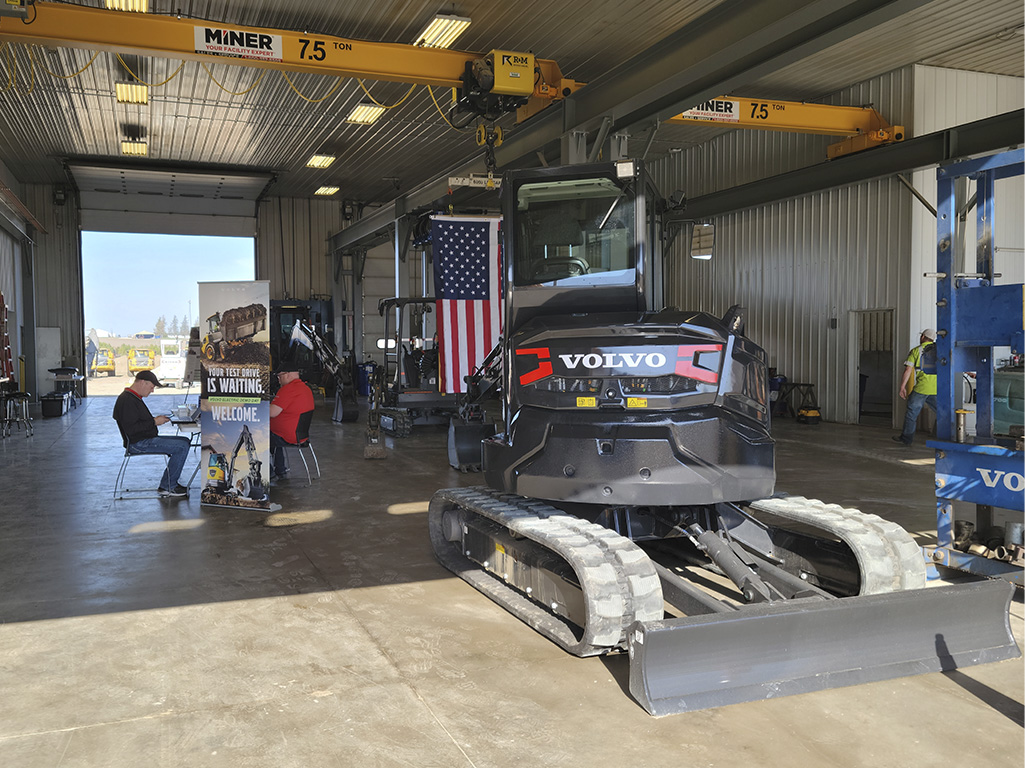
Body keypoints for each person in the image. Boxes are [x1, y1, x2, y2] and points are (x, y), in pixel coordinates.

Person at [112, 370, 192, 496]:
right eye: (151, 387)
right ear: (143, 382)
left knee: (185, 441)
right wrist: (154, 422)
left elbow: (136, 422)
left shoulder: (131, 397)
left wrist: (155, 420)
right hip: (138, 444)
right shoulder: (128, 400)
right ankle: (168, 486)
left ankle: (170, 482)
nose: (152, 391)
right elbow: (132, 429)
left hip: (143, 439)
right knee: (181, 446)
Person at [892, 328, 937, 446]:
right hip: (937, 389)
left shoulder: (916, 351)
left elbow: (908, 370)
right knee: (943, 413)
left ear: (922, 337)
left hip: (921, 388)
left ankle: (906, 439)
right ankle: (938, 436)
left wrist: (902, 387)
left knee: (912, 414)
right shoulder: (939, 350)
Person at [269, 362, 315, 478]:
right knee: (272, 435)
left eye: (279, 376)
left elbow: (272, 412)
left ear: (288, 375)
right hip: (301, 435)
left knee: (260, 435)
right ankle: (280, 469)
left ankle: (268, 472)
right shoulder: (305, 388)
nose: (278, 379)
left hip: (287, 436)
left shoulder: (288, 389)